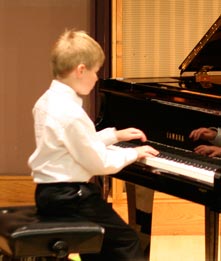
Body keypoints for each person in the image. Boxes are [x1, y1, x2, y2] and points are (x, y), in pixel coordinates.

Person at [28, 28, 159, 261]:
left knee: (97, 242)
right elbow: (100, 163)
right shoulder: (71, 113)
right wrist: (134, 154)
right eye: (95, 71)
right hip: (73, 198)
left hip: (48, 194)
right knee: (126, 240)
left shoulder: (46, 101)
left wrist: (114, 135)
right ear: (81, 70)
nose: (97, 78)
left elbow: (72, 146)